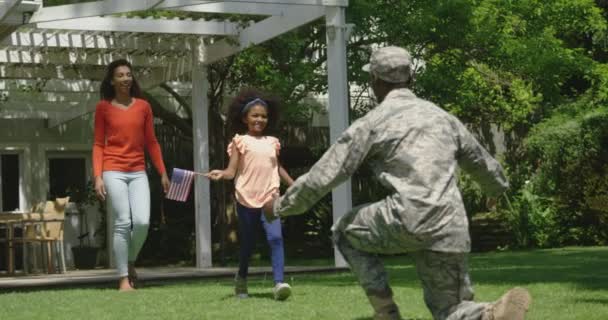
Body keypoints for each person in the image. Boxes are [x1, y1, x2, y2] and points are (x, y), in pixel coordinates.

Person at [263, 46, 532, 319]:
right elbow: (482, 161)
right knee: (449, 308)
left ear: (375, 82)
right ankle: (487, 315)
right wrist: (496, 189)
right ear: (411, 79)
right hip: (451, 223)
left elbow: (326, 174)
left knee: (344, 232)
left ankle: (386, 313)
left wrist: (280, 206)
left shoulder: (373, 123)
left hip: (407, 217)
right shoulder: (443, 118)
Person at [205, 89, 295, 301]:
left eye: (263, 116)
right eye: (255, 115)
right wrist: (221, 174)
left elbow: (277, 167)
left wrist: (293, 184)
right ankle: (242, 277)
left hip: (270, 197)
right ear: (245, 118)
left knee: (275, 237)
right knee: (247, 243)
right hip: (246, 198)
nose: (259, 119)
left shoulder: (273, 142)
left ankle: (279, 282)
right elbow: (231, 171)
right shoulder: (239, 141)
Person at [93, 59, 170, 291]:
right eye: (120, 75)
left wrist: (163, 172)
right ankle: (123, 279)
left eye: (128, 74)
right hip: (112, 170)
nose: (126, 78)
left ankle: (129, 260)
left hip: (138, 171)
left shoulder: (143, 107)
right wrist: (98, 176)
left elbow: (152, 142)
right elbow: (98, 144)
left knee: (142, 222)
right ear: (112, 80)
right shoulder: (103, 108)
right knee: (123, 221)